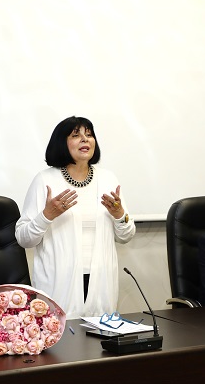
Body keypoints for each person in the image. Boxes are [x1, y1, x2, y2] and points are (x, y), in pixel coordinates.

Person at [15, 116, 136, 319]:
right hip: (59, 283)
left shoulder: (108, 179)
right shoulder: (45, 180)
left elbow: (126, 235)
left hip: (101, 282)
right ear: (61, 143)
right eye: (76, 135)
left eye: (89, 135)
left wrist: (119, 215)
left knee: (100, 335)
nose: (85, 139)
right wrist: (46, 216)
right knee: (61, 335)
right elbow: (24, 239)